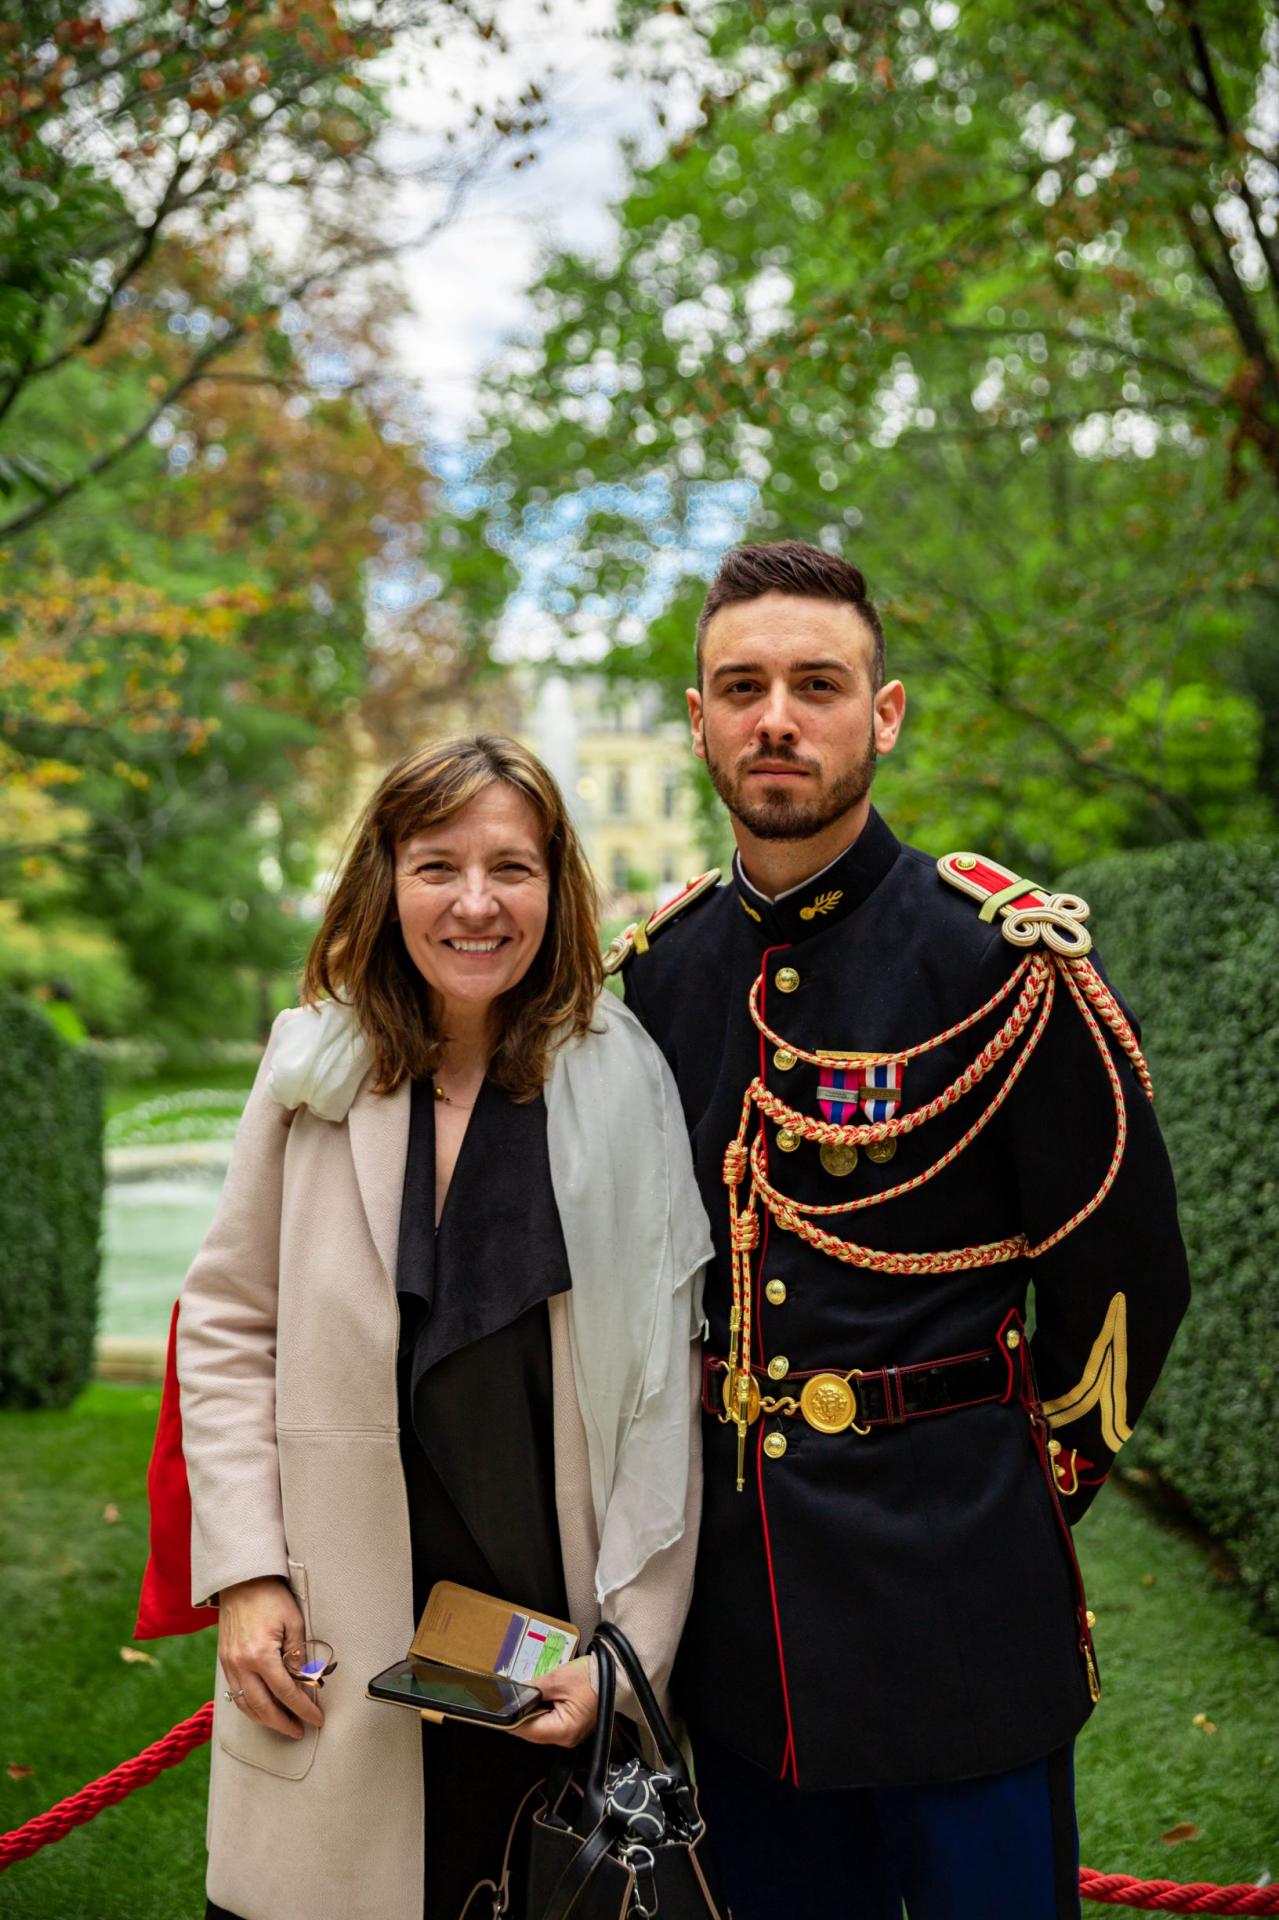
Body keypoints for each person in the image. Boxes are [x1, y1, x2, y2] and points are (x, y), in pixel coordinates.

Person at [610, 541, 1190, 1920]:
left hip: (960, 1611)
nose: (774, 718)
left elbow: (1124, 1280)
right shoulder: (660, 976)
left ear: (882, 713)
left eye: (816, 684)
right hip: (740, 1632)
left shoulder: (997, 963)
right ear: (696, 721)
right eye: (738, 686)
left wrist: (1005, 1498)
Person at [172, 734, 712, 1920]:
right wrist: (248, 1575)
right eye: (438, 865)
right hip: (340, 1635)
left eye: (511, 868)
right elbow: (223, 1323)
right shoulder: (308, 1067)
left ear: (556, 887)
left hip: (548, 1656)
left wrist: (626, 1658)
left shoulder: (626, 1085)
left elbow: (669, 1397)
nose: (476, 902)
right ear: (385, 878)